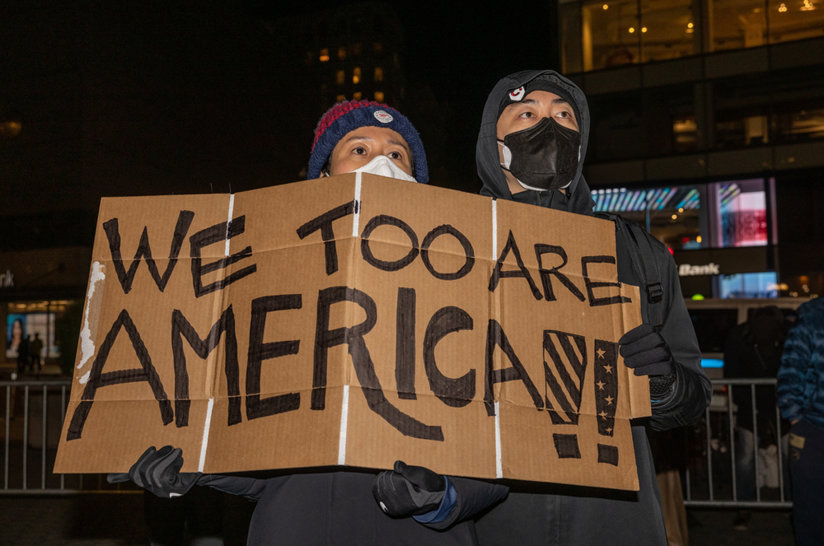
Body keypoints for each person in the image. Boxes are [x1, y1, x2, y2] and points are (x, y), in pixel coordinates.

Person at [111, 99, 508, 545]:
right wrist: (198, 464)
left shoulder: (472, 288)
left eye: (398, 154)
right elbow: (270, 470)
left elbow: (509, 444)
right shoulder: (272, 291)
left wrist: (445, 495)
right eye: (359, 149)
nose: (382, 163)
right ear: (322, 178)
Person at [472, 69, 712, 545]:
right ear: (492, 142)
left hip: (612, 516)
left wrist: (662, 384)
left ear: (580, 147)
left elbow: (693, 397)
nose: (550, 127)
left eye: (564, 116)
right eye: (528, 114)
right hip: (491, 514)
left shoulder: (636, 250)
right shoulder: (449, 245)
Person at [724, 305, 789, 529]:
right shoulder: (742, 337)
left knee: (751, 458)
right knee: (747, 458)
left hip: (777, 406)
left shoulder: (783, 335)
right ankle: (745, 507)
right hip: (756, 406)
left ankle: (789, 505)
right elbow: (732, 374)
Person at [777, 296, 824, 546]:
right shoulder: (812, 320)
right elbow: (790, 372)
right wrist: (797, 419)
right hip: (815, 431)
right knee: (811, 514)